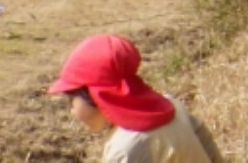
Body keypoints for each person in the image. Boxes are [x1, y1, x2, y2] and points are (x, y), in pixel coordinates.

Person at [48, 33, 225, 163]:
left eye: (71, 100)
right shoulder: (172, 105)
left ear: (96, 96)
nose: (71, 111)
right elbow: (211, 153)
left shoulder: (126, 149)